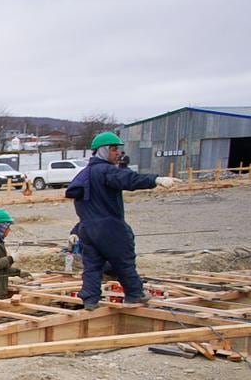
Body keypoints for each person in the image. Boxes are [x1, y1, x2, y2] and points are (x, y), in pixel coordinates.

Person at [66, 132, 179, 310]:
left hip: (87, 229)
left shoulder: (84, 175)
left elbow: (86, 207)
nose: (117, 153)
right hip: (110, 228)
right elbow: (128, 179)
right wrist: (155, 179)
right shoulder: (106, 171)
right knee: (123, 261)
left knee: (92, 267)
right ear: (103, 151)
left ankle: (90, 300)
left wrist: (76, 230)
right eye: (113, 149)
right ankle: (134, 294)